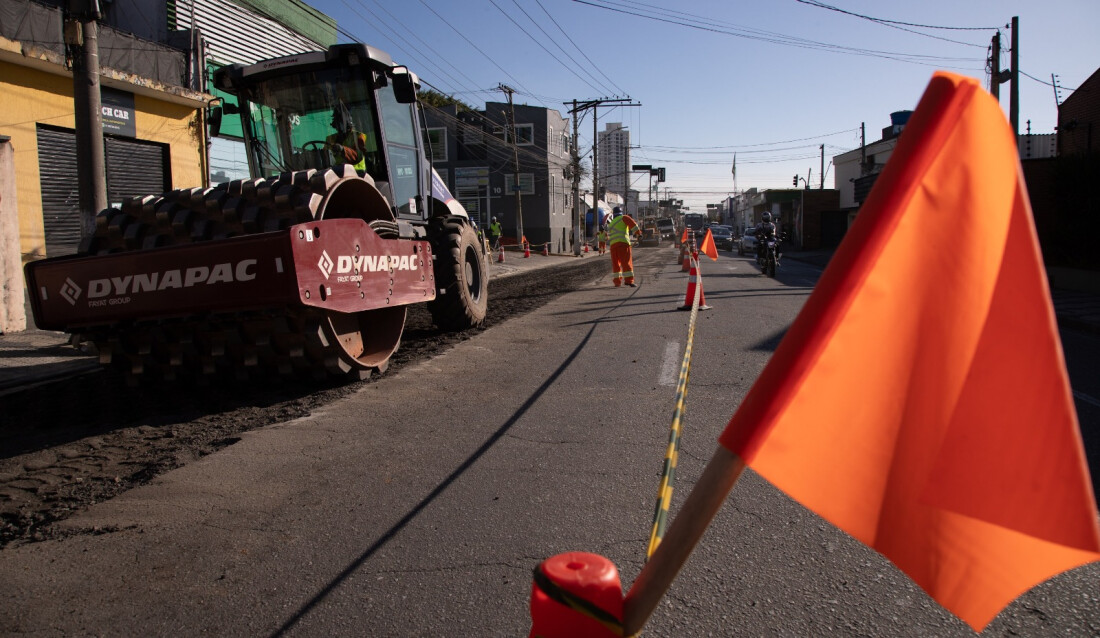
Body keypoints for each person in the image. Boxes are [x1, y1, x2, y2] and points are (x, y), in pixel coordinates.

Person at [326, 103, 374, 173]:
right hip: (336, 174)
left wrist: (342, 149)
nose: (339, 127)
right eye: (337, 124)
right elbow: (326, 156)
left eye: (341, 123)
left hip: (357, 174)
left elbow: (358, 155)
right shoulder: (330, 139)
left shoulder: (358, 136)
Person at [607, 207, 641, 287]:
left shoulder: (611, 223)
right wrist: (639, 233)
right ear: (621, 213)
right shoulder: (624, 217)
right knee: (626, 263)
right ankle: (629, 281)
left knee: (616, 265)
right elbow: (633, 225)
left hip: (613, 246)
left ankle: (617, 282)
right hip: (623, 244)